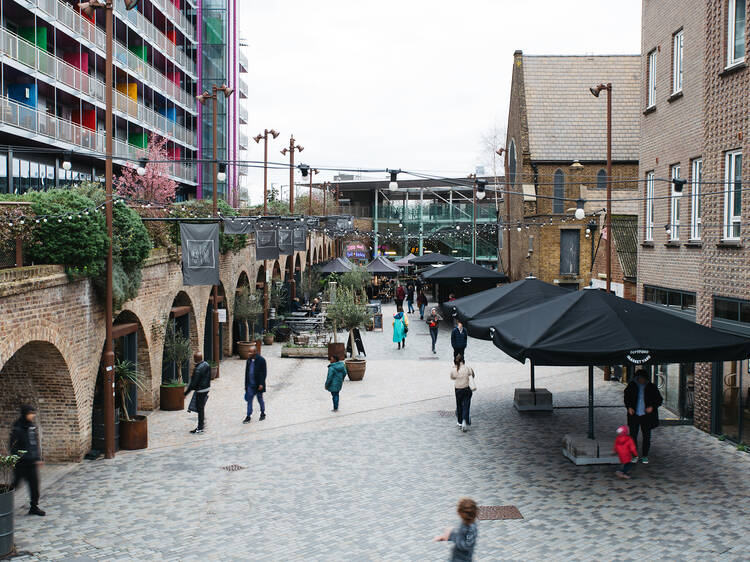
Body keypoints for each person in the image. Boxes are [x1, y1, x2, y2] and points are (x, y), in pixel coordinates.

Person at [10, 405, 45, 516]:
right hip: (21, 463)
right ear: (25, 414)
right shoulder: (18, 428)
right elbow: (13, 446)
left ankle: (34, 507)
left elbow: (34, 444)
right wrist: (20, 457)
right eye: (31, 413)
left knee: (34, 486)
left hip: (32, 463)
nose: (33, 415)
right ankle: (3, 502)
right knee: (15, 484)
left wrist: (38, 458)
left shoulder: (32, 427)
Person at [624, 368, 663, 464]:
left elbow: (659, 400)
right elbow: (626, 398)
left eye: (643, 378)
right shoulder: (631, 386)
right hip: (634, 415)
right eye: (639, 378)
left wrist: (652, 407)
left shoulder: (651, 387)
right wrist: (629, 407)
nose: (641, 380)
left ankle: (645, 455)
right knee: (633, 436)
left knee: (646, 436)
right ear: (637, 378)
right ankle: (634, 455)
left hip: (647, 416)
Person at [185, 352, 211, 434]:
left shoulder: (198, 369)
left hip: (200, 390)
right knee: (200, 408)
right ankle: (201, 424)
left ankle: (200, 427)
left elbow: (193, 384)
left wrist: (185, 393)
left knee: (200, 408)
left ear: (196, 359)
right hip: (206, 388)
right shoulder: (206, 364)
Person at [243, 344, 267, 424]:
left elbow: (264, 373)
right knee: (249, 401)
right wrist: (246, 385)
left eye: (250, 352)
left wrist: (261, 384)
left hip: (258, 385)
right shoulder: (249, 360)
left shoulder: (261, 360)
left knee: (260, 399)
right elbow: (247, 373)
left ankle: (262, 412)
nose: (249, 353)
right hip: (250, 384)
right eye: (249, 352)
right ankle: (248, 416)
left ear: (255, 352)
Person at [450, 354, 474, 432]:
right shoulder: (467, 368)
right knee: (466, 405)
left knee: (459, 405)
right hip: (466, 389)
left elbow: (452, 377)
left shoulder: (454, 369)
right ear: (463, 361)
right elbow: (472, 375)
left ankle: (459, 422)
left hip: (458, 390)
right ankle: (464, 420)